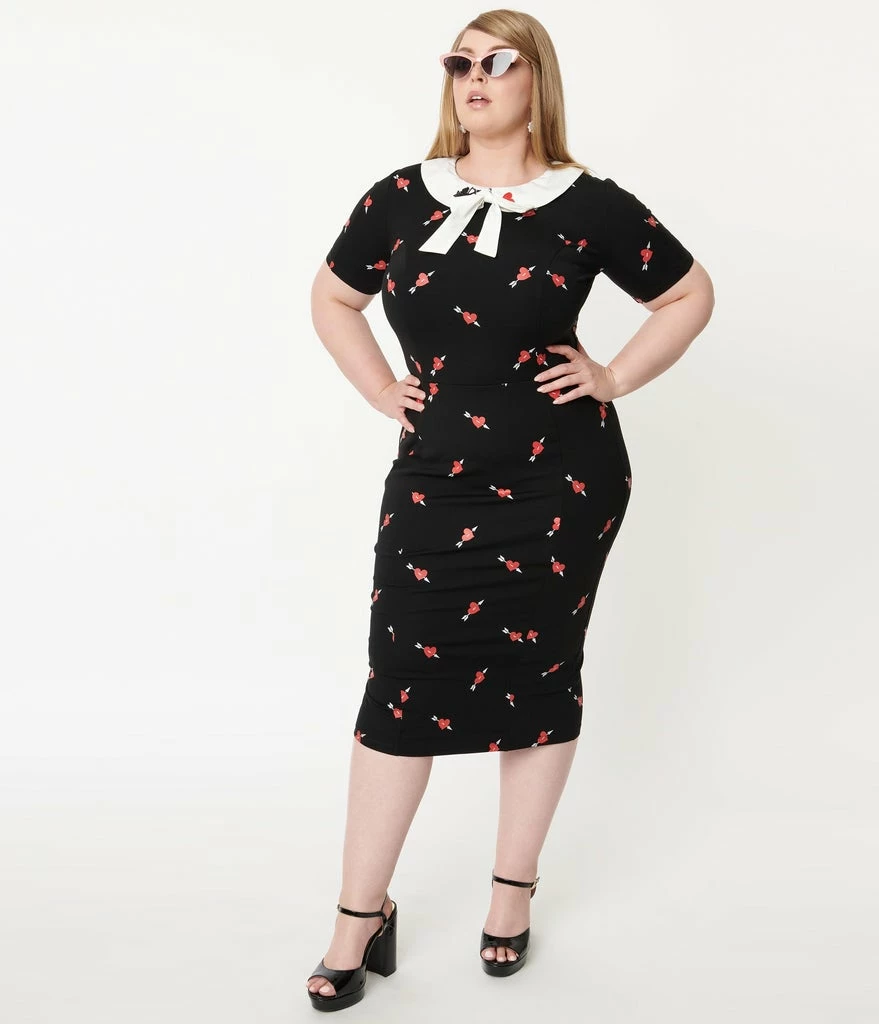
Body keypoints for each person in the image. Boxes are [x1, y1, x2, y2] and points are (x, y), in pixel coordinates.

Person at [306, 9, 714, 1011]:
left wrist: (614, 375)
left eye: (498, 62)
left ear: (538, 82)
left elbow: (688, 293)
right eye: (460, 63)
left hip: (560, 485)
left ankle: (510, 892)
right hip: (434, 481)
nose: (474, 78)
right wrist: (379, 387)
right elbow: (333, 297)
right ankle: (359, 912)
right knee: (399, 690)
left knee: (538, 678)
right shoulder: (401, 197)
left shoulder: (588, 203)